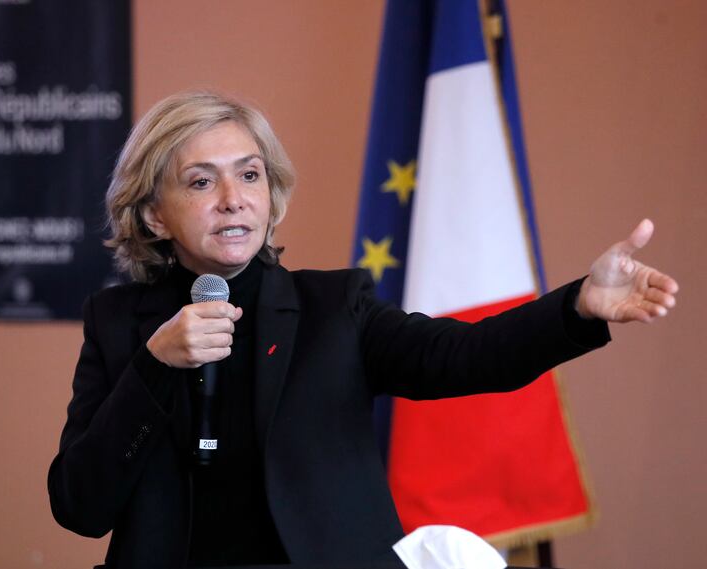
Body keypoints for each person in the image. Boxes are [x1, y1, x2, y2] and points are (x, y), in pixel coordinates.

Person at [47, 92, 678, 569]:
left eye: (249, 174)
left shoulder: (333, 307)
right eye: (201, 181)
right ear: (154, 215)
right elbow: (79, 506)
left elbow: (468, 356)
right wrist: (155, 367)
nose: (234, 198)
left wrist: (578, 308)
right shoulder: (118, 324)